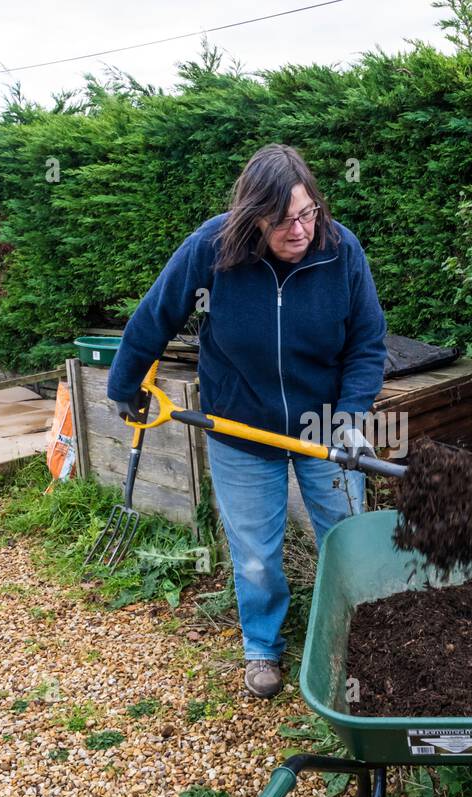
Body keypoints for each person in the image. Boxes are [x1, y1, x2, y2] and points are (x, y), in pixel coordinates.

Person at [107, 144, 388, 699]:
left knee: (348, 536)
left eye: (307, 214)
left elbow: (368, 341)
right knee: (257, 555)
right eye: (282, 221)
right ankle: (263, 647)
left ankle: (360, 637)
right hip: (240, 426)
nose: (299, 230)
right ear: (251, 216)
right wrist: (123, 386)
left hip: (323, 424)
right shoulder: (213, 248)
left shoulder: (341, 250)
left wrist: (353, 414)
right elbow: (154, 316)